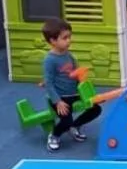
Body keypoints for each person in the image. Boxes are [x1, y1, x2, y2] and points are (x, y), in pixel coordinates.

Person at [40, 18, 102, 151]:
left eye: (69, 37)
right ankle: (54, 135)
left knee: (96, 109)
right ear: (53, 41)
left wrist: (89, 95)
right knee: (66, 120)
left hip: (74, 94)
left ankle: (75, 126)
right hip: (60, 98)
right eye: (65, 38)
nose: (69, 40)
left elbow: (77, 75)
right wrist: (57, 102)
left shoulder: (70, 56)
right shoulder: (49, 60)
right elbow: (48, 83)